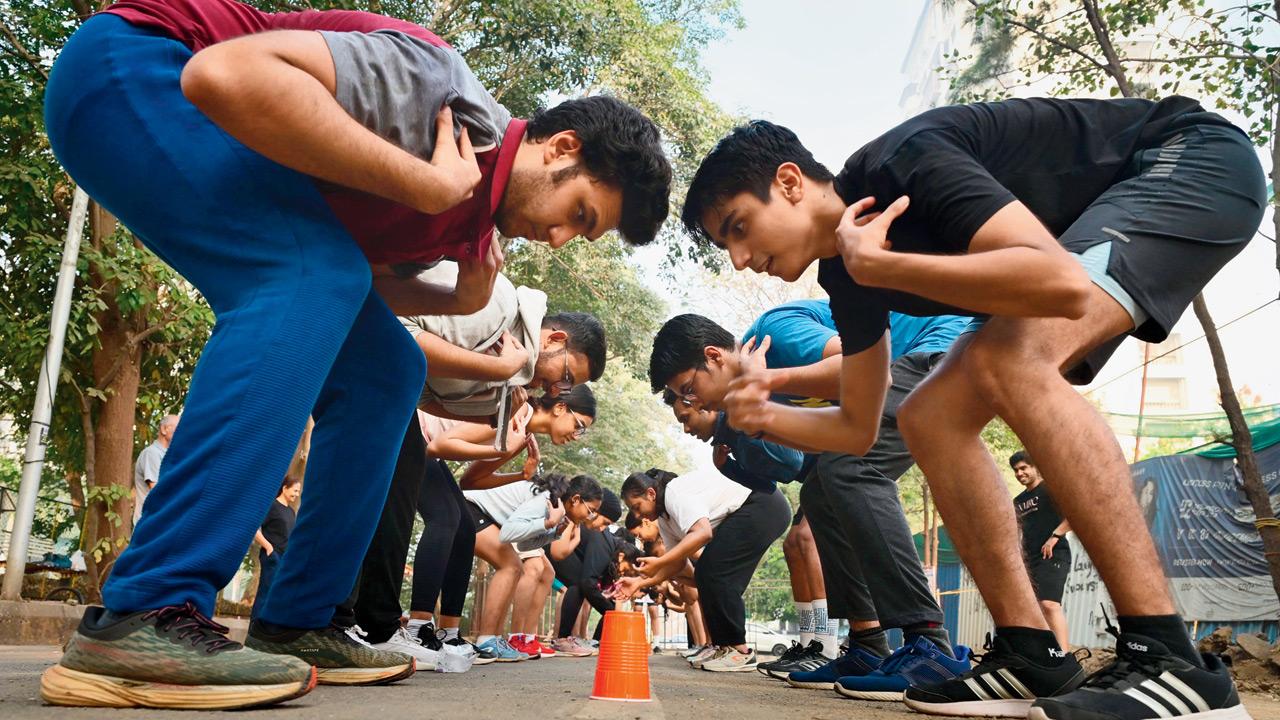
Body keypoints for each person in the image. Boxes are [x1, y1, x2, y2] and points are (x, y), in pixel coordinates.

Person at [41, 0, 671, 707]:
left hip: (196, 125)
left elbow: (339, 288)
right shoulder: (441, 93)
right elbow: (223, 76)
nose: (558, 239)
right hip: (134, 67)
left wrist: (460, 299)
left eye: (580, 237)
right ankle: (141, 613)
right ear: (562, 148)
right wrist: (421, 184)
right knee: (314, 277)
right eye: (579, 214)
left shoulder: (466, 226)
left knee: (386, 369)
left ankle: (298, 621)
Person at [681, 99, 1263, 720]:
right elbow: (856, 428)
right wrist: (762, 414)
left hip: (1189, 159)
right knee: (929, 414)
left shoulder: (899, 167)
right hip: (1092, 220)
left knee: (1011, 359)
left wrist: (882, 263)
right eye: (726, 246)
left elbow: (1060, 283)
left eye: (739, 228)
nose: (739, 258)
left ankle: (1171, 660)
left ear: (790, 182)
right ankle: (1029, 652)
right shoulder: (845, 278)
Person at [650, 306, 971, 697]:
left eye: (688, 389)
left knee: (846, 471)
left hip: (938, 347)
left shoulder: (774, 335)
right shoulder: (750, 402)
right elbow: (805, 461)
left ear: (714, 356)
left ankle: (930, 645)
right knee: (819, 491)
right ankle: (868, 644)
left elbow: (866, 368)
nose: (694, 403)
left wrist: (766, 383)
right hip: (889, 385)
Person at [333, 308, 605, 667]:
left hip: (424, 447)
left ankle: (445, 631)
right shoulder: (516, 413)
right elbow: (439, 446)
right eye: (579, 424)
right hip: (415, 433)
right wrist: (500, 446)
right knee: (446, 519)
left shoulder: (521, 432)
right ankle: (416, 624)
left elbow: (470, 481)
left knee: (458, 523)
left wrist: (519, 475)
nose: (576, 435)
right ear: (559, 409)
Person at [662, 396, 832, 678]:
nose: (686, 430)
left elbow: (791, 463)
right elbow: (769, 483)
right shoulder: (734, 439)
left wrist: (745, 433)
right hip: (814, 477)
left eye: (686, 419)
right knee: (792, 546)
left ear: (705, 405)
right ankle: (809, 645)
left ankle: (825, 648)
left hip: (835, 460)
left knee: (803, 539)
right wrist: (727, 467)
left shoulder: (741, 421)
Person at [617, 468, 790, 673]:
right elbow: (677, 564)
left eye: (637, 507)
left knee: (715, 571)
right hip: (752, 509)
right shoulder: (664, 518)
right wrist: (640, 582)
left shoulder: (674, 493)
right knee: (706, 573)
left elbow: (702, 533)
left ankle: (739, 651)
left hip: (763, 504)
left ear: (651, 494)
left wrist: (660, 561)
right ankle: (723, 647)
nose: (638, 515)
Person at [463, 473, 604, 661]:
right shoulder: (547, 500)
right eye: (590, 510)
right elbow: (508, 533)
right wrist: (549, 523)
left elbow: (522, 545)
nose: (590, 517)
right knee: (511, 566)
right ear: (576, 500)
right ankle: (487, 640)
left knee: (515, 567)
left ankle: (494, 639)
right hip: (469, 508)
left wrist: (553, 533)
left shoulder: (557, 507)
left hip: (485, 517)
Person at [549, 489, 624, 655]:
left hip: (557, 546)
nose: (603, 528)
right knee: (579, 583)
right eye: (604, 521)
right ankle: (561, 638)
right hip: (548, 542)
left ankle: (565, 638)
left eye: (608, 525)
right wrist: (610, 611)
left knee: (577, 583)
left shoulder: (600, 534)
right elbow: (587, 582)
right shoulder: (603, 542)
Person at [1011, 451, 1072, 651]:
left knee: (1049, 604)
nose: (1019, 473)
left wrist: (1055, 536)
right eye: (1016, 470)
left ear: (1035, 467)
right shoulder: (1017, 501)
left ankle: (1064, 655)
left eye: (1023, 468)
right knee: (1034, 611)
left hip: (1054, 554)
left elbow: (1074, 514)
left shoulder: (1050, 489)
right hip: (1030, 560)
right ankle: (1045, 652)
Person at [251, 478, 301, 620]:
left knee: (278, 596)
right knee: (265, 593)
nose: (297, 494)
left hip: (286, 559)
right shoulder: (272, 506)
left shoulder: (291, 512)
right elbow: (254, 529)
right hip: (273, 556)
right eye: (295, 490)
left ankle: (267, 628)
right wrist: (268, 547)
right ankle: (254, 628)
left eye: (298, 491)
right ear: (285, 488)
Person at [132, 414, 178, 524]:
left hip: (161, 523)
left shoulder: (168, 456)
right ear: (164, 429)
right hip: (149, 525)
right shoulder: (152, 454)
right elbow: (158, 491)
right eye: (178, 428)